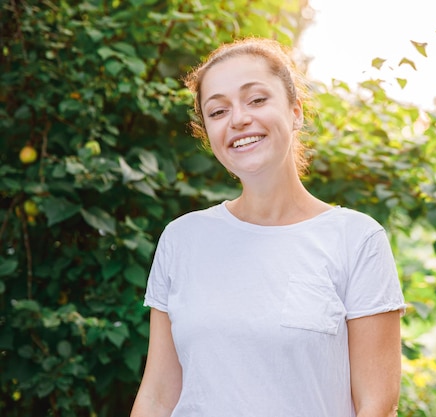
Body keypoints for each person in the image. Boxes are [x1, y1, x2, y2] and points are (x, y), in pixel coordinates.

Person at [130, 37, 406, 417]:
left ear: (296, 112)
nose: (239, 118)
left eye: (257, 99)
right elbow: (157, 397)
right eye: (217, 111)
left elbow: (377, 405)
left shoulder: (357, 239)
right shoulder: (182, 239)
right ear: (207, 133)